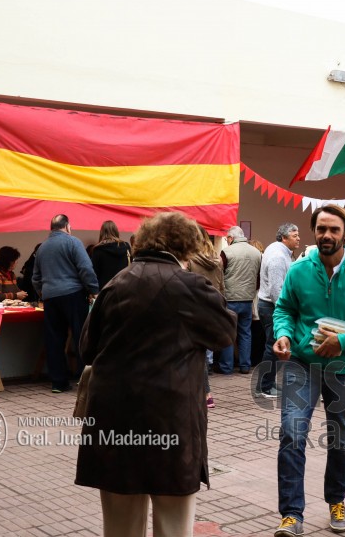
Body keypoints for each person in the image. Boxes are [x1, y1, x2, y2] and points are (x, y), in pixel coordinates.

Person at [75, 212, 236, 537]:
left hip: (114, 423)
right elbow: (225, 334)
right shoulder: (191, 286)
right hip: (171, 422)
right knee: (174, 527)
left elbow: (86, 349)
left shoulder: (115, 284)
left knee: (120, 528)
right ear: (187, 246)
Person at [271, 205, 345, 536]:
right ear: (314, 231)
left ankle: (336, 499)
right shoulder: (299, 269)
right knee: (292, 433)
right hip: (302, 364)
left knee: (341, 441)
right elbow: (285, 309)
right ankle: (292, 514)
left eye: (334, 230)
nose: (327, 235)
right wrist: (283, 334)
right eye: (321, 229)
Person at [32, 214, 100, 393]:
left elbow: (35, 277)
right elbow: (85, 268)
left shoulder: (42, 248)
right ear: (67, 226)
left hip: (50, 298)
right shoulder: (73, 242)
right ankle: (83, 379)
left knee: (54, 339)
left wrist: (43, 292)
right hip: (73, 294)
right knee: (80, 337)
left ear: (51, 228)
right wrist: (93, 290)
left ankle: (58, 382)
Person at [256, 223, 301, 399]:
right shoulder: (277, 256)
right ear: (284, 237)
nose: (298, 238)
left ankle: (267, 383)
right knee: (273, 346)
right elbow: (277, 289)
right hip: (271, 306)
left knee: (272, 346)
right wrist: (285, 312)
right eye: (294, 235)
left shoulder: (278, 251)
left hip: (268, 305)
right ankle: (265, 386)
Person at [188, 223, 226, 409]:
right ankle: (203, 392)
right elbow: (221, 286)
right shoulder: (217, 260)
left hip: (194, 309)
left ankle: (205, 393)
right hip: (212, 308)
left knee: (197, 353)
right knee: (202, 352)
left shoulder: (190, 261)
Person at [218, 226, 262, 374]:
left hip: (230, 299)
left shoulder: (227, 252)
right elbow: (258, 278)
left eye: (227, 238)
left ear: (231, 238)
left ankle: (226, 367)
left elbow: (220, 274)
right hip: (248, 299)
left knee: (228, 332)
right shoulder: (256, 252)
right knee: (245, 333)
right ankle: (245, 366)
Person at [90, 220, 132, 289]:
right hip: (123, 287)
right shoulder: (126, 246)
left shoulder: (98, 250)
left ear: (102, 233)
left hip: (105, 289)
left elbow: (94, 273)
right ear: (116, 231)